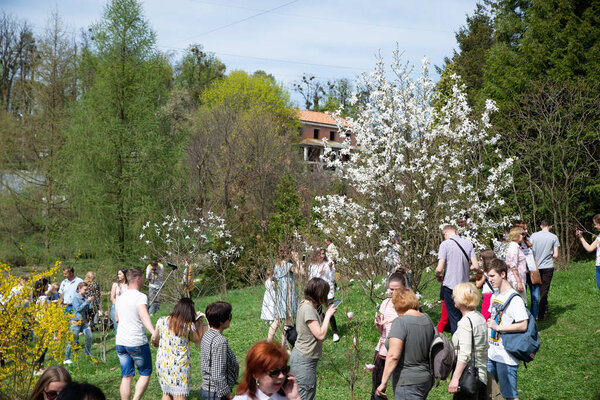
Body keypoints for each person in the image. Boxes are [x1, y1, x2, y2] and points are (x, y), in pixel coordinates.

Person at [375, 289, 435, 400]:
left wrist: (383, 382)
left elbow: (393, 356)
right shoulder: (427, 319)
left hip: (407, 381)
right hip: (425, 378)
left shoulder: (401, 322)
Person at [486, 259, 528, 400]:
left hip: (506, 357)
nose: (489, 280)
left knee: (509, 396)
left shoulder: (515, 299)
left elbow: (523, 325)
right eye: (488, 276)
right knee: (488, 393)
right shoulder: (495, 295)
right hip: (491, 353)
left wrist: (499, 327)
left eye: (492, 276)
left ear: (502, 274)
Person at [289, 278, 338, 400]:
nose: (326, 297)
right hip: (304, 362)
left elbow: (313, 324)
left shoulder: (305, 304)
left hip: (300, 357)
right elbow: (320, 335)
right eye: (325, 294)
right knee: (305, 395)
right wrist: (328, 316)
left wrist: (324, 315)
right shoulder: (308, 309)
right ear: (319, 294)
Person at [151, 298, 207, 400]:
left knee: (166, 393)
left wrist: (155, 342)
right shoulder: (187, 326)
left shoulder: (162, 320)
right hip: (179, 365)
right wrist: (199, 322)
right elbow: (196, 339)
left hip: (163, 363)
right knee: (179, 395)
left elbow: (154, 338)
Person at [115, 267, 155, 400]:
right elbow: (144, 316)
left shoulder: (120, 298)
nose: (143, 280)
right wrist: (154, 333)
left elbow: (116, 319)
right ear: (138, 278)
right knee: (145, 373)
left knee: (126, 376)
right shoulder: (140, 296)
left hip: (120, 342)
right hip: (136, 341)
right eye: (142, 278)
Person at [436, 224, 480, 334]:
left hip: (450, 287)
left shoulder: (445, 244)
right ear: (456, 232)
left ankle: (458, 347)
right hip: (465, 288)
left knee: (454, 318)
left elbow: (439, 268)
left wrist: (438, 275)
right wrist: (466, 269)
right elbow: (476, 266)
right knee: (466, 316)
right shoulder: (468, 243)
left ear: (446, 233)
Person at [448, 283, 488, 399]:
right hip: (481, 375)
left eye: (455, 295)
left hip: (469, 377)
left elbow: (465, 354)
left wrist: (455, 378)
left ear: (461, 299)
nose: (453, 298)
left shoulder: (466, 322)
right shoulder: (479, 317)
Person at [371, 272, 406, 400]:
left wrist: (392, 320)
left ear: (404, 288)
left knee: (400, 387)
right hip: (382, 348)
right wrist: (378, 324)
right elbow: (381, 332)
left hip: (400, 350)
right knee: (377, 386)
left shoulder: (408, 305)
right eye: (391, 289)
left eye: (397, 289)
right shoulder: (385, 303)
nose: (394, 292)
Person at [234, 341, 301, 400]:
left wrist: (295, 398)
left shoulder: (288, 394)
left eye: (284, 370)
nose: (282, 376)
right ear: (256, 374)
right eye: (274, 372)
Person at [200, 301, 239, 400]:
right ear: (221, 321)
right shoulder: (219, 341)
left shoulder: (208, 334)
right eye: (229, 316)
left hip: (207, 390)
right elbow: (217, 375)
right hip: (217, 394)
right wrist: (229, 395)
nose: (230, 318)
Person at [529, 220, 560, 320]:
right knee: (544, 290)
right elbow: (556, 255)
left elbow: (529, 251)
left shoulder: (533, 236)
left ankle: (535, 311)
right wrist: (549, 253)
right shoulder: (553, 237)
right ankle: (541, 314)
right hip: (548, 266)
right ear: (550, 226)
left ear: (541, 226)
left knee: (535, 290)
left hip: (535, 267)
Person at [307, 248, 339, 342]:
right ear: (316, 255)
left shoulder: (328, 263)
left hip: (329, 291)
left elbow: (332, 279)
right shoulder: (312, 266)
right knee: (318, 312)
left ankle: (335, 332)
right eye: (320, 254)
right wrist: (319, 273)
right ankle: (318, 331)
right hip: (318, 291)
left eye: (324, 254)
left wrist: (330, 269)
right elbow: (312, 280)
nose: (323, 256)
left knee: (330, 310)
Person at [273, 245, 303, 343]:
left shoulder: (277, 265)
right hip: (288, 294)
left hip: (281, 293)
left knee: (279, 321)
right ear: (287, 254)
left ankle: (278, 344)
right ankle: (284, 346)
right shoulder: (288, 265)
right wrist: (297, 260)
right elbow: (302, 272)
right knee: (288, 321)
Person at [64, 282, 95, 364]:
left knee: (89, 336)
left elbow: (89, 309)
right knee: (72, 341)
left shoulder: (86, 297)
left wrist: (91, 302)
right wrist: (87, 302)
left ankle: (87, 354)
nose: (86, 291)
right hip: (76, 322)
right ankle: (66, 358)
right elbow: (78, 309)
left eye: (87, 289)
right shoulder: (75, 298)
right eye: (85, 289)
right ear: (79, 289)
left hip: (84, 322)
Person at [576, 214, 600, 291]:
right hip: (598, 266)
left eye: (595, 224)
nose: (594, 226)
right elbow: (590, 248)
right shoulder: (599, 236)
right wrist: (581, 237)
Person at [505, 228, 527, 303]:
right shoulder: (514, 247)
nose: (523, 236)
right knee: (521, 303)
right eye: (522, 234)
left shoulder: (515, 246)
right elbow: (513, 266)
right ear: (517, 235)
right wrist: (519, 282)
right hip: (516, 280)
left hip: (517, 279)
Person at [475, 250, 496, 320]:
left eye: (482, 259)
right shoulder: (495, 269)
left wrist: (482, 277)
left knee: (485, 316)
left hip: (488, 295)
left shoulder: (487, 271)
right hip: (493, 294)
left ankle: (486, 329)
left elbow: (478, 285)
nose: (481, 261)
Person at [110, 268, 128, 332]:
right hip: (116, 307)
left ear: (125, 274)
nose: (118, 276)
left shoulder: (129, 285)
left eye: (120, 274)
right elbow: (112, 297)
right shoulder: (115, 285)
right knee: (118, 328)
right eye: (118, 274)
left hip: (126, 308)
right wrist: (117, 304)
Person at [262, 268, 277, 341]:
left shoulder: (266, 281)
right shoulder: (272, 282)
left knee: (266, 306)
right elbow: (275, 289)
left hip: (266, 295)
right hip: (271, 295)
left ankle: (266, 319)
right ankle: (271, 318)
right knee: (271, 306)